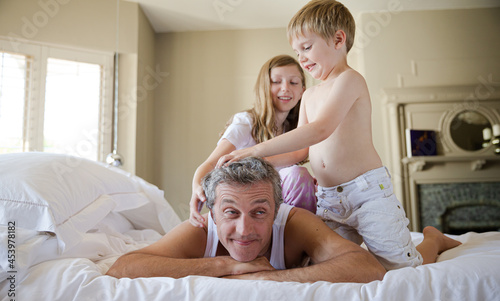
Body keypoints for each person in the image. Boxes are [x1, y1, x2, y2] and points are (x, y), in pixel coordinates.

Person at [215, 1, 462, 270]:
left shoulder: (350, 80)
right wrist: (254, 164)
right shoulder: (309, 95)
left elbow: (320, 129)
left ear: (338, 39)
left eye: (307, 48)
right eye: (297, 52)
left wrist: (254, 150)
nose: (302, 58)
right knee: (331, 264)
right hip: (330, 200)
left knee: (399, 266)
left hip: (367, 194)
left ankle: (434, 240)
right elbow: (300, 153)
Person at [106, 158, 460, 282]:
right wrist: (225, 267)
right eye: (230, 213)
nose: (244, 230)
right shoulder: (200, 232)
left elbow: (368, 269)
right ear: (212, 213)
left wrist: (273, 277)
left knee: (405, 266)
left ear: (277, 210)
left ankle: (433, 236)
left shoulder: (294, 222)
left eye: (259, 212)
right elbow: (122, 267)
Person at [189, 55, 317, 228]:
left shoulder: (293, 131)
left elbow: (299, 157)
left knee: (300, 176)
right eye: (276, 82)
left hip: (278, 205)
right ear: (264, 87)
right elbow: (211, 163)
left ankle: (299, 238)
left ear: (302, 90)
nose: (285, 88)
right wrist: (196, 188)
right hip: (248, 201)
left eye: (293, 83)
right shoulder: (246, 122)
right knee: (296, 175)